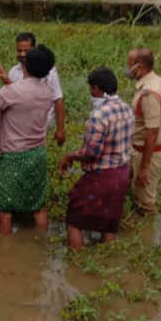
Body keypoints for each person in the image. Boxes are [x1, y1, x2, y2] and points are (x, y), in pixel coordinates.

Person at [0, 45, 56, 235]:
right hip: (38, 154)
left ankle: (4, 252)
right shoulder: (47, 92)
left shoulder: (14, 91)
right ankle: (42, 243)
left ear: (25, 66)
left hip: (14, 156)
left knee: (4, 208)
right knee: (37, 204)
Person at [59, 67, 134, 250]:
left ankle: (76, 262)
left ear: (96, 89)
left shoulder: (98, 116)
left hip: (102, 177)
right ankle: (108, 261)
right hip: (122, 174)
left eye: (91, 89)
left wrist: (70, 155)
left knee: (74, 219)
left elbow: (92, 152)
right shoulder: (126, 109)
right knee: (109, 223)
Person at [0, 32, 66, 146]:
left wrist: (60, 129)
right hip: (18, 127)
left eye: (26, 51)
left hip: (39, 126)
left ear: (34, 50)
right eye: (19, 51)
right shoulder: (14, 72)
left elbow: (58, 100)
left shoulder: (49, 72)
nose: (23, 54)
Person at [125, 47, 161, 215]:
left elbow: (152, 132)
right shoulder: (155, 81)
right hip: (141, 150)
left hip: (147, 153)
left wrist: (144, 168)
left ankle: (148, 235)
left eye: (129, 65)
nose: (127, 68)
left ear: (139, 66)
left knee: (145, 202)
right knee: (135, 192)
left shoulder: (149, 94)